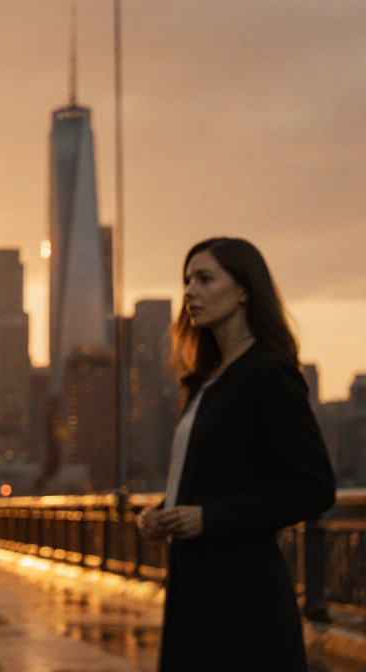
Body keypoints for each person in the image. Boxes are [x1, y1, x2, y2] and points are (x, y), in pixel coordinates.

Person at [136, 237, 335, 671]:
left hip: (245, 602)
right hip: (194, 597)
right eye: (187, 281)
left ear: (244, 290)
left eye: (205, 279)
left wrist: (209, 518)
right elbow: (213, 477)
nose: (190, 291)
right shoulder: (205, 382)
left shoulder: (269, 373)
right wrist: (162, 512)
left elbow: (315, 487)